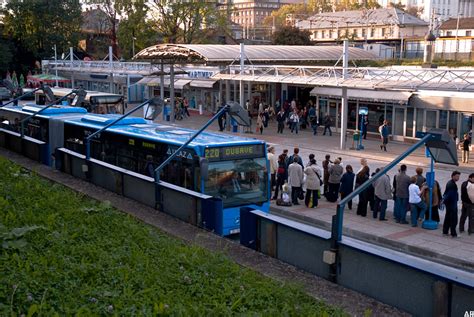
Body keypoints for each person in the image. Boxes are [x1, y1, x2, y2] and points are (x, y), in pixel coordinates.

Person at [442, 171, 461, 237]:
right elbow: (450, 195)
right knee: (453, 219)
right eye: (457, 176)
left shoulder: (450, 183)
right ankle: (453, 233)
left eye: (458, 176)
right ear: (452, 176)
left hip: (449, 204)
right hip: (452, 205)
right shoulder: (452, 185)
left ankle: (445, 231)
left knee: (447, 218)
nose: (458, 178)